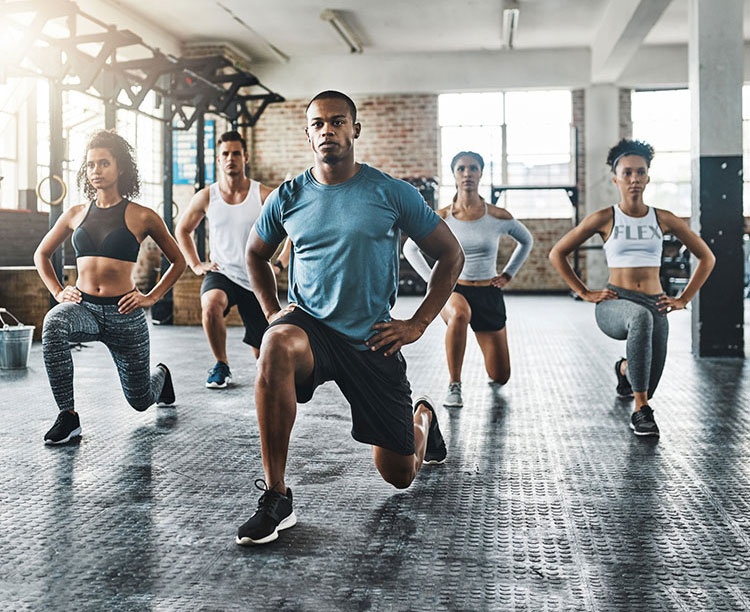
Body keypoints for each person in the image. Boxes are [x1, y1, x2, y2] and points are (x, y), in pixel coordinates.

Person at [238, 90, 464, 545]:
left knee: (399, 475)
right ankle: (277, 496)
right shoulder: (288, 196)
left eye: (338, 122)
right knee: (275, 344)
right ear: (308, 134)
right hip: (311, 328)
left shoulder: (391, 192)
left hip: (371, 338)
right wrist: (271, 315)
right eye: (318, 124)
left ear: (355, 129)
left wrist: (417, 323)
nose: (328, 131)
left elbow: (450, 254)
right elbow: (255, 255)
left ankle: (422, 418)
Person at [549, 138, 715, 436]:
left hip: (656, 302)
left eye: (640, 172)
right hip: (615, 301)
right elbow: (557, 253)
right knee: (640, 319)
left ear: (648, 177)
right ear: (616, 178)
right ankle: (641, 410)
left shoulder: (663, 218)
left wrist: (683, 299)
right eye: (627, 173)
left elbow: (707, 257)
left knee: (648, 379)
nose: (634, 179)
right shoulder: (604, 217)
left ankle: (625, 370)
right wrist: (585, 292)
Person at [33, 129, 187, 445]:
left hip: (124, 315)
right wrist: (58, 291)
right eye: (90, 165)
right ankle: (68, 417)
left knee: (140, 400)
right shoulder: (75, 213)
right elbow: (42, 254)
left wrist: (151, 297)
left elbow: (178, 261)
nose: (96, 171)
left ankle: (162, 377)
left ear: (120, 169)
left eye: (103, 163)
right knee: (54, 323)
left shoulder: (142, 216)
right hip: (84, 309)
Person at [403, 151, 533, 408]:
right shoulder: (441, 216)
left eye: (473, 168)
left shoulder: (497, 216)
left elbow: (526, 240)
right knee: (460, 313)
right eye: (461, 169)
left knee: (500, 376)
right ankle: (455, 384)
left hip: (488, 293)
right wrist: (435, 283)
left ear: (481, 173)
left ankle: (492, 372)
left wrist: (508, 274)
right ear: (454, 174)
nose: (467, 174)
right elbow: (409, 248)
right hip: (455, 289)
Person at [176, 130, 279, 388]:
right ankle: (221, 365)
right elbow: (183, 229)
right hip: (221, 272)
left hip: (255, 277)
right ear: (219, 161)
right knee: (211, 304)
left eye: (236, 153)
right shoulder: (207, 196)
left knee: (263, 356)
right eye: (225, 154)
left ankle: (263, 364)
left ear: (245, 157)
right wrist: (196, 264)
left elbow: (292, 229)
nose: (230, 158)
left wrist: (280, 263)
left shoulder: (264, 195)